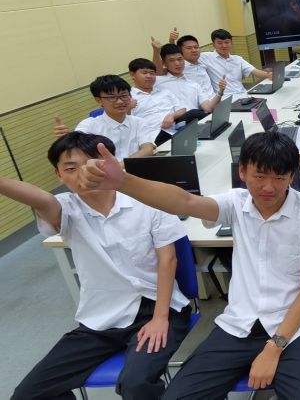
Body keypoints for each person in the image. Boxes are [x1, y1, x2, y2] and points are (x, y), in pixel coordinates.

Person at [78, 131, 300, 399]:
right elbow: (185, 201)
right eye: (260, 176)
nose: (269, 187)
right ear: (242, 172)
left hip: (294, 330)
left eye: (280, 178)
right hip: (239, 324)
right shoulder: (236, 203)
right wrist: (122, 181)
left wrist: (274, 347)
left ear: (292, 177)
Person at [8, 132, 191, 400]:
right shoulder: (66, 209)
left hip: (157, 307)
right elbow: (41, 199)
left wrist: (160, 318)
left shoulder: (147, 201)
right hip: (101, 318)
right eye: (71, 168)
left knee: (136, 384)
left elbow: (168, 259)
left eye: (91, 164)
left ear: (110, 163)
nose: (83, 174)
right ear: (59, 175)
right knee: (28, 394)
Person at [54, 75, 156, 160]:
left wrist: (118, 167)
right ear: (99, 100)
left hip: (135, 172)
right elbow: (77, 149)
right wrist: (66, 139)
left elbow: (147, 149)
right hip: (104, 175)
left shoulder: (138, 122)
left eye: (124, 95)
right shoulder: (89, 125)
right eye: (112, 97)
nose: (120, 101)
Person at [154, 43, 226, 118]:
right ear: (164, 63)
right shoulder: (158, 81)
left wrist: (220, 92)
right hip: (174, 121)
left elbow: (208, 108)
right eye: (171, 60)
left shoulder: (194, 84)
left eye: (180, 59)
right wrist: (156, 51)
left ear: (184, 59)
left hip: (195, 120)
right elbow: (155, 71)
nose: (177, 63)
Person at [198, 29, 271, 98]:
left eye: (227, 42)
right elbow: (191, 57)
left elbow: (255, 71)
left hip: (244, 94)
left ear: (231, 43)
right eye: (219, 43)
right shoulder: (205, 57)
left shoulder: (237, 59)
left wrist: (269, 75)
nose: (224, 46)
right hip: (225, 99)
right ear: (213, 44)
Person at [127, 58, 182, 145]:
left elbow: (182, 109)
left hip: (175, 131)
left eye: (152, 73)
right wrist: (128, 108)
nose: (149, 76)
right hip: (152, 139)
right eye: (144, 73)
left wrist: (172, 115)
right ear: (132, 75)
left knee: (195, 114)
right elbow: (127, 124)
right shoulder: (128, 98)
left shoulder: (164, 91)